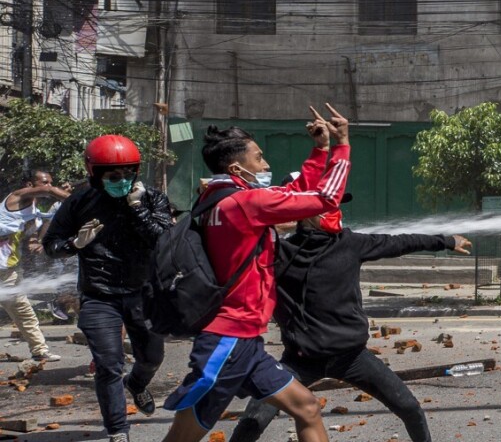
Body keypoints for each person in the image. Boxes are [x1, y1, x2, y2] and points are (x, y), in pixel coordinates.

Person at [160, 104, 352, 442]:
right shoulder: (245, 204)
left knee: (306, 407)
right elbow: (325, 197)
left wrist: (318, 150)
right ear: (237, 167)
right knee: (182, 438)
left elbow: (291, 195)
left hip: (244, 340)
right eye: (259, 158)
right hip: (228, 341)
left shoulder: (217, 199)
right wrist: (341, 145)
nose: (266, 165)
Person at [228, 184, 472, 442]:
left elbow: (400, 242)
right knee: (253, 421)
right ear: (305, 211)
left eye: (336, 204)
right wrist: (278, 224)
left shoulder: (350, 243)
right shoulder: (278, 252)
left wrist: (446, 241)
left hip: (352, 357)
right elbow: (235, 238)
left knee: (410, 408)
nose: (335, 211)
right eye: (326, 205)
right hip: (299, 361)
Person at [42, 136, 173, 442]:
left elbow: (164, 240)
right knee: (108, 364)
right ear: (95, 173)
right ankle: (118, 431)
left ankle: (138, 385)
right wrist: (74, 244)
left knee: (152, 357)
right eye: (114, 176)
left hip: (144, 293)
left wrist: (137, 207)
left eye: (129, 173)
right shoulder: (78, 202)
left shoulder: (152, 198)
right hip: (99, 294)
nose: (123, 180)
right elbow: (51, 245)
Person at [0, 169, 70, 361]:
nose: (49, 186)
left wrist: (34, 242)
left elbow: (29, 236)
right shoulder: (17, 196)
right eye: (44, 182)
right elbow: (50, 192)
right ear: (29, 185)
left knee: (24, 312)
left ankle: (39, 351)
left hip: (7, 272)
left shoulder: (32, 210)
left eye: (51, 182)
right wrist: (78, 200)